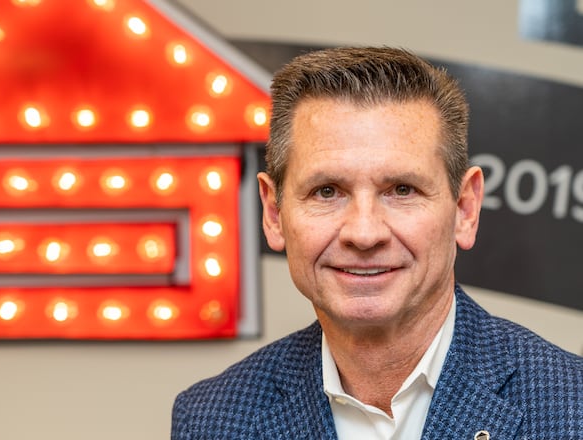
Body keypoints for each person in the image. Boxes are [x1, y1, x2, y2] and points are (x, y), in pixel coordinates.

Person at [171, 47, 582, 439]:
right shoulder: (212, 419)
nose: (364, 234)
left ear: (465, 208)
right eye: (327, 191)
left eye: (402, 189)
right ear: (274, 214)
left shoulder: (570, 407)